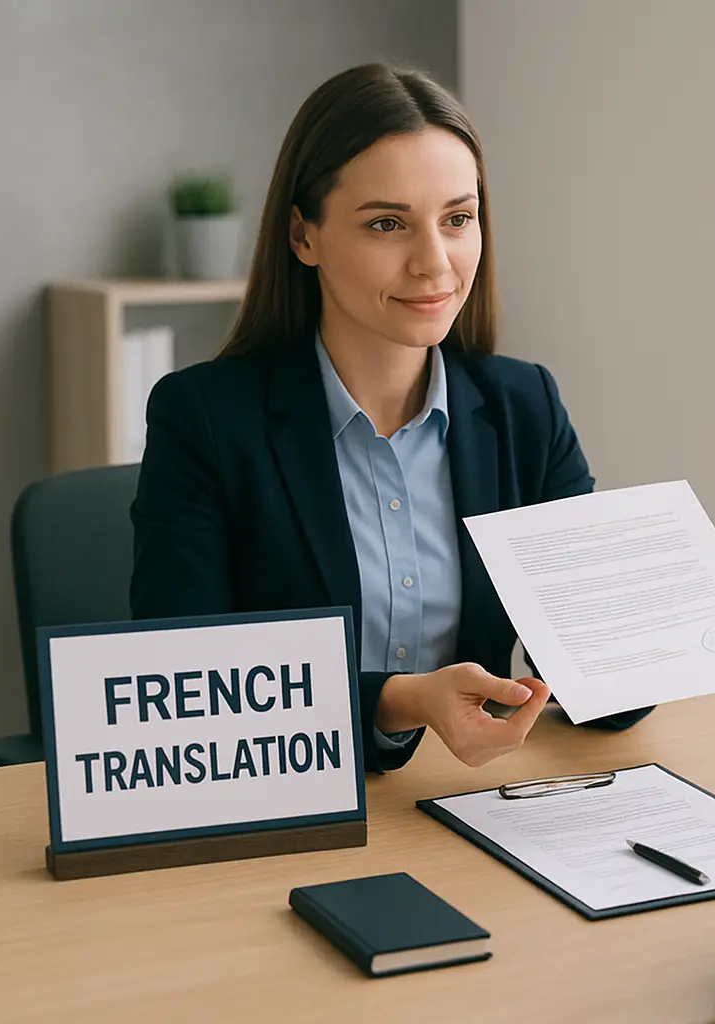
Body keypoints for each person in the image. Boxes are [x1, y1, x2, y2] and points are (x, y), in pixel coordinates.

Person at [130, 64, 651, 774]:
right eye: (387, 223)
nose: (434, 263)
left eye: (458, 219)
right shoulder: (204, 419)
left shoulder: (524, 406)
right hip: (287, 810)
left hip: (474, 802)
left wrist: (682, 626)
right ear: (303, 236)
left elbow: (613, 691)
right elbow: (182, 688)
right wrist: (401, 701)